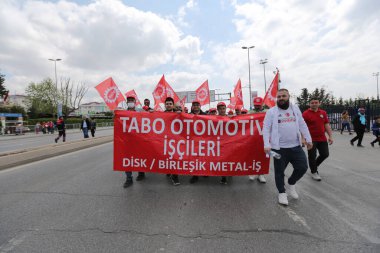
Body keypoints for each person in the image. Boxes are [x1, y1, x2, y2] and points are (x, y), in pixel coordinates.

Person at [263, 89, 313, 206]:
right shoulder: (271, 112)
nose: (281, 98)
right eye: (279, 96)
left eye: (283, 96)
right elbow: (266, 129)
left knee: (303, 167)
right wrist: (267, 144)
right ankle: (282, 193)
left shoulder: (295, 109)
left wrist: (308, 139)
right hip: (279, 148)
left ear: (288, 96)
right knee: (279, 172)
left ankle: (291, 183)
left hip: (296, 146)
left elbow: (302, 124)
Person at [302, 99, 333, 181]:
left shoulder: (323, 113)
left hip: (322, 138)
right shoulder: (305, 114)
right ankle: (314, 172)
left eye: (316, 103)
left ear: (319, 103)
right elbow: (301, 127)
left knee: (325, 154)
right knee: (312, 156)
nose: (314, 104)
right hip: (310, 139)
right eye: (312, 103)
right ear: (309, 104)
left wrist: (330, 136)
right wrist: (303, 138)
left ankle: (314, 165)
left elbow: (326, 124)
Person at [123, 95, 146, 188]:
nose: (130, 102)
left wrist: (151, 112)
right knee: (127, 159)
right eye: (128, 100)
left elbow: (150, 118)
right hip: (127, 141)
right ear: (126, 102)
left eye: (132, 100)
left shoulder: (140, 111)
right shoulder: (123, 113)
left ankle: (141, 173)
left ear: (135, 101)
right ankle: (129, 178)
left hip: (139, 140)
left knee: (139, 158)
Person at [248, 97, 267, 183]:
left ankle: (261, 174)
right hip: (252, 138)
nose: (257, 107)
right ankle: (252, 172)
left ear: (262, 104)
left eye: (259, 105)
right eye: (256, 105)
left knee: (262, 156)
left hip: (264, 138)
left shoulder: (267, 112)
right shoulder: (250, 113)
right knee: (252, 155)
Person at [189, 100, 207, 184]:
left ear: (200, 106)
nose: (196, 106)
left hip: (203, 140)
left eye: (197, 105)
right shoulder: (187, 115)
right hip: (192, 141)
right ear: (192, 106)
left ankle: (204, 171)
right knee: (194, 158)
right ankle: (195, 175)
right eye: (194, 105)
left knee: (204, 157)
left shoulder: (206, 116)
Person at [164, 97, 181, 186]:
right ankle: (168, 170)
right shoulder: (161, 114)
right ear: (165, 105)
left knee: (174, 157)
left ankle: (175, 176)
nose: (169, 105)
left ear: (173, 105)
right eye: (167, 104)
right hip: (165, 140)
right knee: (167, 157)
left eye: (170, 104)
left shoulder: (177, 114)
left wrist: (180, 114)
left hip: (175, 140)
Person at [217, 102, 229, 185]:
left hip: (227, 142)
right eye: (220, 109)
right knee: (220, 159)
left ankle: (225, 175)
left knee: (226, 159)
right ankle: (222, 175)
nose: (222, 110)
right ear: (218, 110)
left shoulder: (230, 118)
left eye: (223, 108)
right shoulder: (214, 118)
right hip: (217, 142)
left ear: (225, 109)